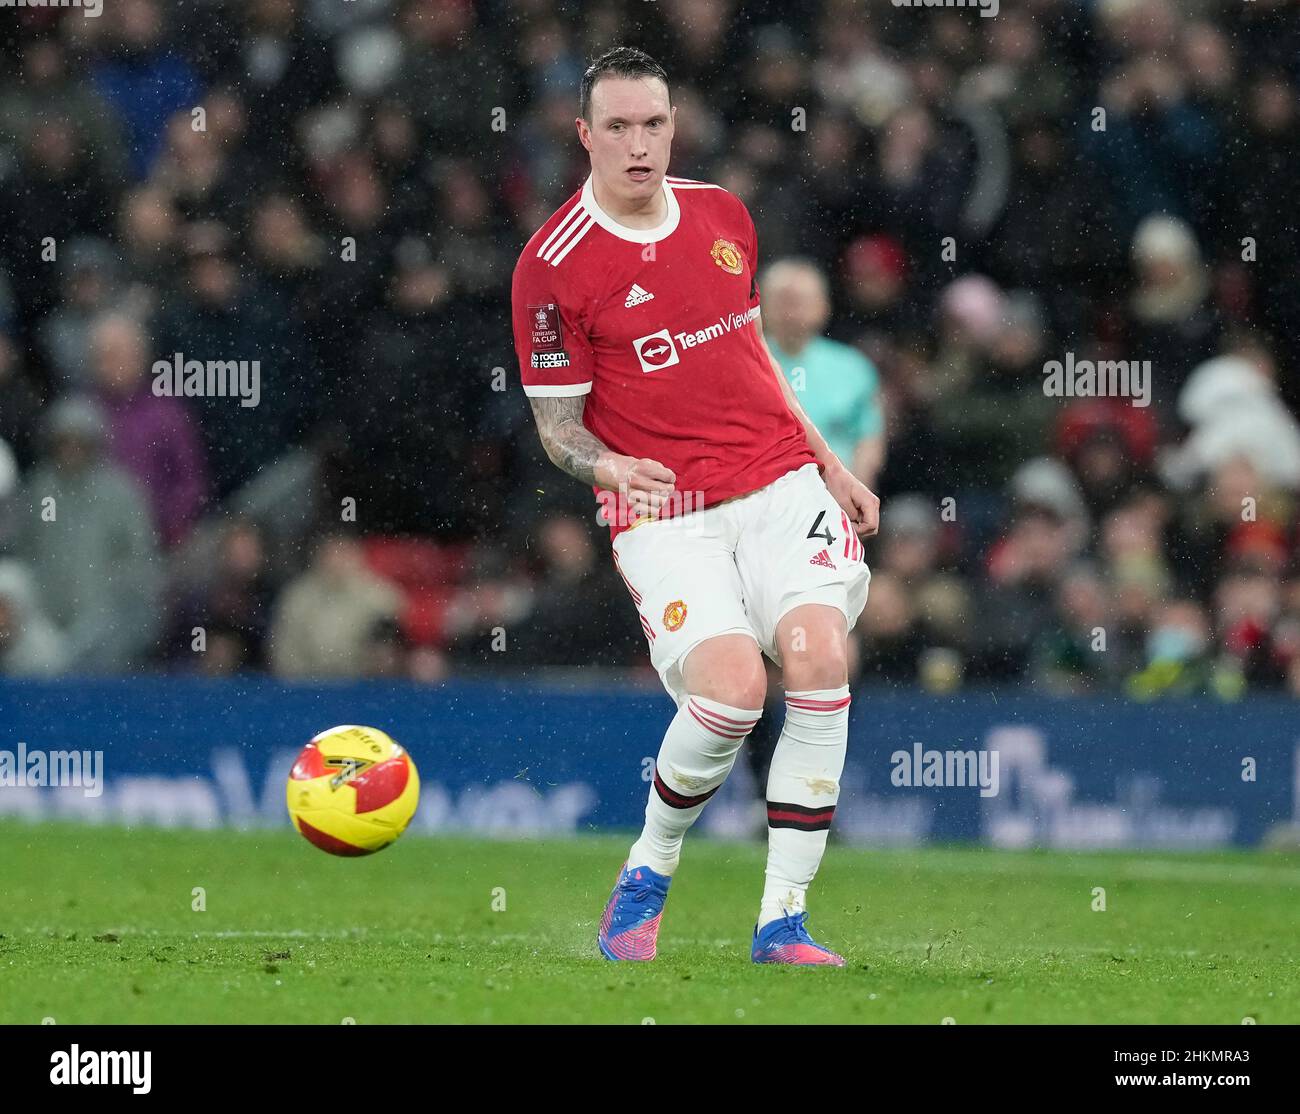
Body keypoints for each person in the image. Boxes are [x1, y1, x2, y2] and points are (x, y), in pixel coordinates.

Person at [510, 47, 878, 966]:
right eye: (621, 127)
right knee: (733, 695)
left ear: (675, 125)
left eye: (656, 124)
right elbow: (557, 429)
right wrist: (609, 469)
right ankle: (649, 869)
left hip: (780, 480)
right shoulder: (551, 266)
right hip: (667, 510)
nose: (641, 145)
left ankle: (782, 921)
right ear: (585, 134)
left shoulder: (722, 214)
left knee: (819, 656)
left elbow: (752, 358)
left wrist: (829, 463)